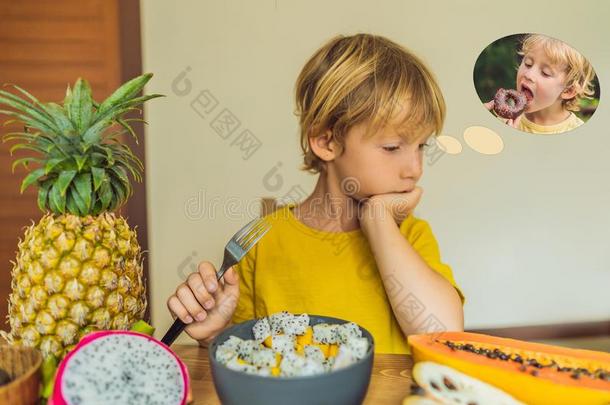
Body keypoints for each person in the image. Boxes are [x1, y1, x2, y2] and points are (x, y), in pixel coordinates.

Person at [167, 33, 465, 354]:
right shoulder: (264, 242)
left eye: (421, 146)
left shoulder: (411, 237)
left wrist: (378, 223)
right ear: (326, 142)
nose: (415, 168)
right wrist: (216, 334)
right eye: (393, 147)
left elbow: (444, 335)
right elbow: (249, 355)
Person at [486, 34, 595, 134]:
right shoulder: (506, 120)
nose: (529, 75)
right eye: (528, 64)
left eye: (545, 73)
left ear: (568, 90)